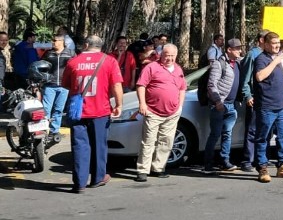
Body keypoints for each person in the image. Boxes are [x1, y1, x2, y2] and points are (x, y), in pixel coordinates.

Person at [63, 35, 124, 193]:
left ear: (86, 45)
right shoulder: (109, 61)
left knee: (79, 146)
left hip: (79, 112)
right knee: (99, 145)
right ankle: (98, 178)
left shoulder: (73, 62)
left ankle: (79, 183)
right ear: (101, 46)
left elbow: (67, 85)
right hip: (100, 110)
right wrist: (119, 104)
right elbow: (117, 85)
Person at [134, 44, 186, 182]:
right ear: (161, 55)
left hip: (172, 112)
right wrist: (142, 104)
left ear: (176, 55)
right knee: (148, 141)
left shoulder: (178, 69)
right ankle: (142, 170)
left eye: (172, 56)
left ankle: (158, 168)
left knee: (166, 141)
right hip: (153, 111)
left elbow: (182, 88)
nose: (169, 58)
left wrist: (180, 106)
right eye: (166, 55)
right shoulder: (151, 67)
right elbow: (141, 85)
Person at [253, 32, 283, 183]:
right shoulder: (261, 59)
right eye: (274, 43)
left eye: (278, 43)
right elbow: (260, 76)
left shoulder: (276, 57)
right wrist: (275, 61)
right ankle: (262, 169)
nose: (277, 46)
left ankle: (282, 167)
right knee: (263, 138)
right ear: (265, 44)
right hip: (266, 106)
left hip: (279, 106)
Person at [203, 38, 251, 173]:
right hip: (219, 105)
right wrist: (218, 101)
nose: (240, 51)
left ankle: (225, 161)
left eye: (240, 48)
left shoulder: (239, 63)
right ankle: (208, 164)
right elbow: (212, 84)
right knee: (215, 134)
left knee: (227, 134)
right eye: (237, 49)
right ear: (229, 50)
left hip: (232, 105)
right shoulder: (219, 64)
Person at [237, 32, 266, 172]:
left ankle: (261, 159)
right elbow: (246, 77)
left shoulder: (269, 56)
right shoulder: (252, 54)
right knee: (252, 130)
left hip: (267, 99)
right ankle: (248, 160)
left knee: (266, 130)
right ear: (261, 40)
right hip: (255, 98)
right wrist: (247, 95)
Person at [42, 34, 75, 142]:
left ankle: (54, 130)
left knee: (58, 109)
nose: (53, 42)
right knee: (46, 109)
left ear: (62, 42)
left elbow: (75, 67)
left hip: (64, 86)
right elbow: (42, 67)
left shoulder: (70, 53)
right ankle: (43, 129)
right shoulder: (48, 54)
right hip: (49, 85)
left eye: (55, 40)